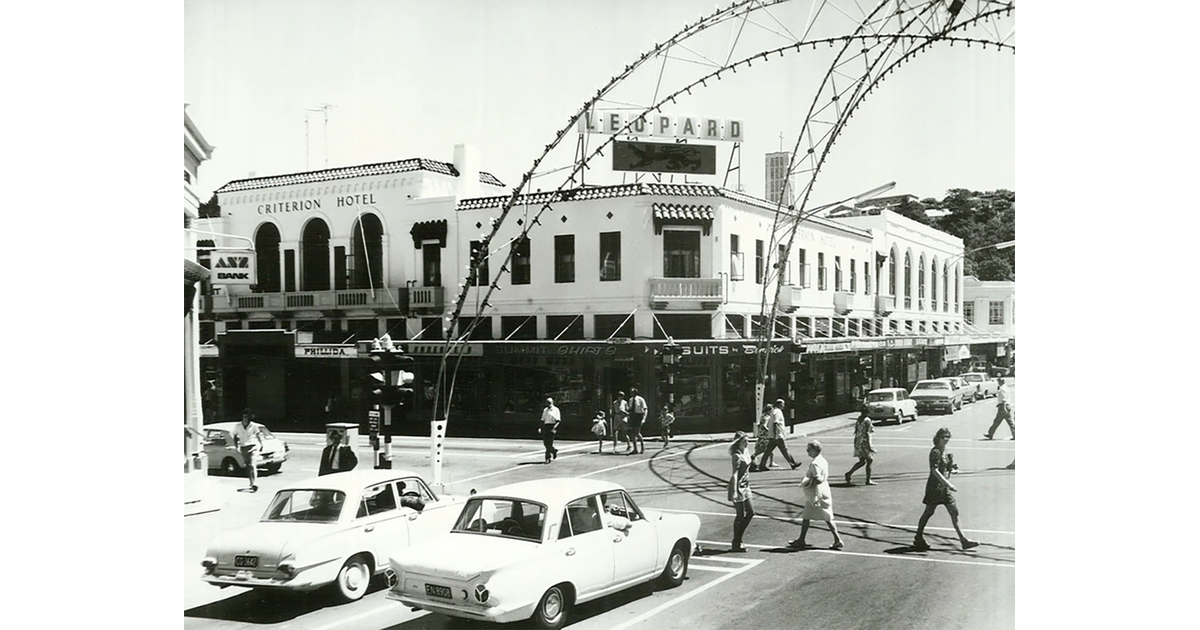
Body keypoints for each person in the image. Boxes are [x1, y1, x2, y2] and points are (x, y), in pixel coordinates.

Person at [913, 427, 979, 551]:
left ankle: (964, 541)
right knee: (928, 512)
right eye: (944, 437)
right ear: (938, 438)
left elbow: (947, 470)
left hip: (944, 488)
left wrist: (953, 468)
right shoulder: (936, 452)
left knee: (954, 513)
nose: (946, 439)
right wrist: (948, 484)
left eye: (948, 436)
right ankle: (918, 537)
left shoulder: (946, 451)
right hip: (935, 487)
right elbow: (934, 470)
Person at [789, 440, 845, 550]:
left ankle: (837, 539)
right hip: (824, 490)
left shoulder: (815, 464)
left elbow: (818, 479)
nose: (807, 451)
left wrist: (807, 483)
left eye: (808, 449)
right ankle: (802, 539)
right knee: (818, 515)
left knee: (814, 516)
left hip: (817, 492)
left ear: (814, 451)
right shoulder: (823, 460)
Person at [728, 431, 755, 552]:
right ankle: (737, 541)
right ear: (738, 443)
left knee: (751, 512)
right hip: (738, 486)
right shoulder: (736, 456)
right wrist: (734, 491)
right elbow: (734, 474)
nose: (747, 443)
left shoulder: (746, 451)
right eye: (744, 441)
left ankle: (737, 539)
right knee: (740, 515)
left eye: (747, 441)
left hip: (746, 486)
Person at [756, 399, 801, 471]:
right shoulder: (778, 412)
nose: (784, 405)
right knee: (784, 450)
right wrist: (776, 435)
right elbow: (776, 423)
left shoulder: (774, 411)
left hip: (773, 436)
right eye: (783, 404)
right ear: (779, 404)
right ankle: (793, 463)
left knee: (768, 451)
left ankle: (762, 465)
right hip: (778, 436)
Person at [233, 409, 265, 492]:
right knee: (248, 466)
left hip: (253, 446)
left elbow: (258, 435)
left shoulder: (254, 426)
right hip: (243, 447)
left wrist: (261, 444)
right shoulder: (238, 426)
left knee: (252, 465)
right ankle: (251, 482)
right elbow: (235, 436)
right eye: (244, 417)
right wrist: (237, 446)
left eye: (247, 417)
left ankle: (255, 483)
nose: (245, 419)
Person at [844, 412, 877, 485]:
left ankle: (849, 473)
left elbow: (856, 432)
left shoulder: (859, 419)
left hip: (859, 441)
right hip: (865, 442)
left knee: (862, 461)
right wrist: (870, 446)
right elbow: (867, 433)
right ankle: (868, 480)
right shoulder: (867, 420)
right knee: (870, 460)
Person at [750, 405, 775, 471]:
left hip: (761, 435)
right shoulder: (767, 417)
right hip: (765, 436)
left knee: (770, 448)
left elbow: (759, 425)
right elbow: (764, 426)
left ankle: (771, 462)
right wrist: (769, 431)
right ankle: (753, 456)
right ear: (769, 411)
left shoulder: (762, 416)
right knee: (765, 449)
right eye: (771, 410)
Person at [541, 397, 561, 464]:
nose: (548, 404)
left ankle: (547, 458)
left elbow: (558, 421)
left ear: (552, 403)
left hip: (552, 426)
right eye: (547, 403)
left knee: (549, 443)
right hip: (546, 426)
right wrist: (541, 427)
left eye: (549, 403)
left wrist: (554, 428)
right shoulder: (545, 410)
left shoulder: (556, 410)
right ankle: (553, 450)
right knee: (545, 443)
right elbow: (542, 419)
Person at [628, 388, 648, 454]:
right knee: (633, 433)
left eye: (632, 392)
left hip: (639, 416)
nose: (631, 393)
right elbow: (630, 409)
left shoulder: (640, 399)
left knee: (637, 432)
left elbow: (645, 409)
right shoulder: (630, 400)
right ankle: (635, 449)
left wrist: (644, 418)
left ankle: (642, 447)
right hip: (633, 416)